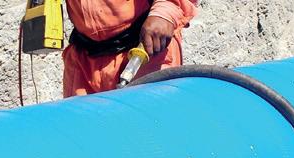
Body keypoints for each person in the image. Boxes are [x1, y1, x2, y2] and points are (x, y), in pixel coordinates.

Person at [63, 0, 197, 97]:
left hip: (144, 51)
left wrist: (165, 12)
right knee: (82, 126)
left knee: (148, 124)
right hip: (84, 60)